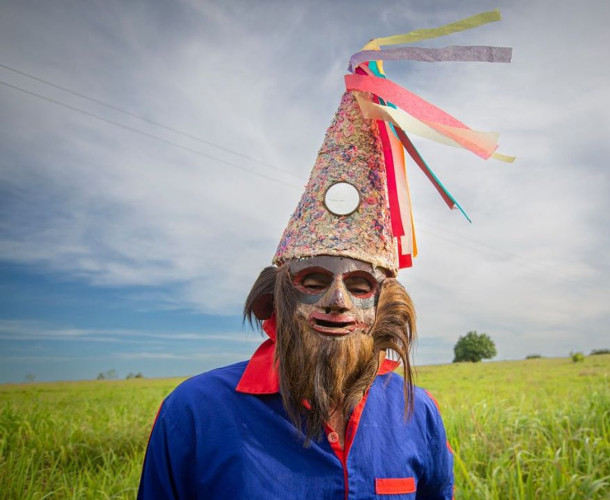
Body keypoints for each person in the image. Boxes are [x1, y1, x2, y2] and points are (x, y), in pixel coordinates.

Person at [138, 10, 512, 498]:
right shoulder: (194, 412)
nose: (337, 300)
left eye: (360, 286)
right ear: (278, 294)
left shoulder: (417, 414)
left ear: (383, 303)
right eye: (313, 280)